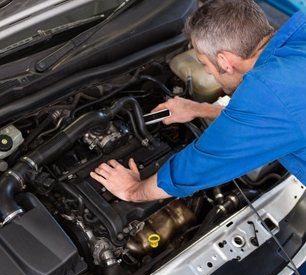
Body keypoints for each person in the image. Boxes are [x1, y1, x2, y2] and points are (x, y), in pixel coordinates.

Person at [90, 0, 306, 202]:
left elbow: (201, 164)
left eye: (204, 63)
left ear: (224, 60)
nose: (208, 72)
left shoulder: (268, 92)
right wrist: (200, 109)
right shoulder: (300, 34)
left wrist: (133, 191)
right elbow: (278, 117)